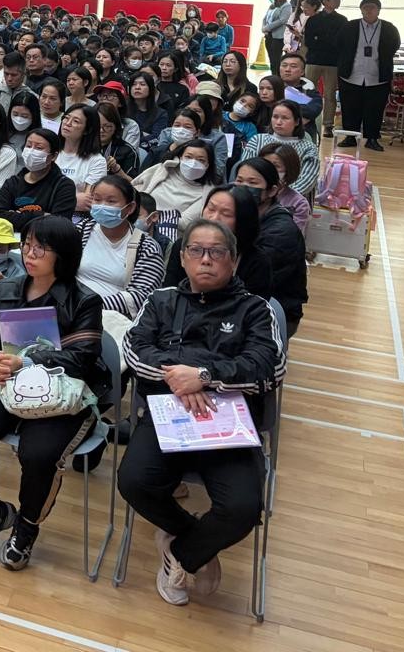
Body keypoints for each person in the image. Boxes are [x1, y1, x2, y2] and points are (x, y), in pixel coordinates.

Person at [119, 219, 285, 607]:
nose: (205, 259)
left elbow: (269, 367)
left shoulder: (254, 309)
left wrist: (205, 376)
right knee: (133, 481)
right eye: (196, 250)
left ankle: (183, 554)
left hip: (228, 422)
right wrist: (182, 379)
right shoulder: (161, 301)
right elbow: (135, 350)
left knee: (242, 508)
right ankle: (190, 532)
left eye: (216, 252)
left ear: (234, 260)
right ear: (182, 258)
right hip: (169, 414)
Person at [0, 216, 107, 571]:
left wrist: (24, 361)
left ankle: (26, 526)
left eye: (41, 248)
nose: (30, 253)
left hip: (59, 390)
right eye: (27, 245)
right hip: (8, 381)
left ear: (64, 254)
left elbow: (83, 357)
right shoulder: (7, 288)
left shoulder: (84, 300)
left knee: (37, 454)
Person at [76, 174, 164, 341]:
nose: (102, 206)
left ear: (129, 208)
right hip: (70, 311)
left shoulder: (146, 247)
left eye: (111, 201)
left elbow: (140, 297)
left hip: (113, 322)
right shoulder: (80, 231)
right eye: (97, 200)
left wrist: (88, 306)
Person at [231, 157, 308, 334]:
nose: (243, 187)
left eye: (252, 183)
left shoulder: (282, 231)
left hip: (273, 310)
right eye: (239, 181)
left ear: (272, 190)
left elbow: (251, 278)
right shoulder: (243, 215)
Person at [337, 0, 402, 152]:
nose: (369, 10)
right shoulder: (350, 26)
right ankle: (350, 137)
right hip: (351, 74)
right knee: (350, 107)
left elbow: (395, 45)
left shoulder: (389, 28)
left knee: (375, 109)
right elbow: (339, 44)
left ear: (378, 10)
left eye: (372, 7)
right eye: (365, 7)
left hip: (377, 76)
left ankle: (372, 138)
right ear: (361, 10)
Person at [0, 128, 77, 235]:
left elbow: (58, 224)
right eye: (28, 146)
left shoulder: (64, 186)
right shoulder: (12, 182)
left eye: (38, 148)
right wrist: (41, 215)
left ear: (53, 156)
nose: (31, 152)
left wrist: (15, 216)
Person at [237, 100, 320, 197]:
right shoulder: (257, 140)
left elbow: (307, 180)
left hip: (292, 200)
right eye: (275, 117)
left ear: (297, 121)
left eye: (285, 118)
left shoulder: (308, 148)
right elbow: (246, 170)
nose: (278, 122)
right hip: (256, 196)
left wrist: (280, 196)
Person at [302, 0, 347, 135]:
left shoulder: (342, 20)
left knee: (330, 94)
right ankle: (307, 119)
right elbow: (309, 40)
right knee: (308, 91)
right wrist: (327, 42)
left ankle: (328, 124)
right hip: (313, 60)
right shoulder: (313, 19)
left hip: (333, 62)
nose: (338, 1)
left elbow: (341, 42)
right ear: (325, 1)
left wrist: (320, 40)